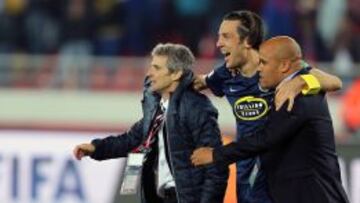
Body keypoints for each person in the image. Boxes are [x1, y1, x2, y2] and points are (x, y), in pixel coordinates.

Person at [193, 10, 342, 203]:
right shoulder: (226, 74)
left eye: (226, 36)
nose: (218, 43)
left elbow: (335, 82)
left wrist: (303, 81)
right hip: (246, 172)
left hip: (276, 175)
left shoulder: (279, 69)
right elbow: (199, 82)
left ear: (246, 41)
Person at [73, 43, 228, 203]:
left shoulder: (196, 108)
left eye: (156, 68)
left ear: (176, 74)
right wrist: (95, 148)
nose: (149, 73)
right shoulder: (158, 110)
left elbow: (216, 166)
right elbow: (131, 140)